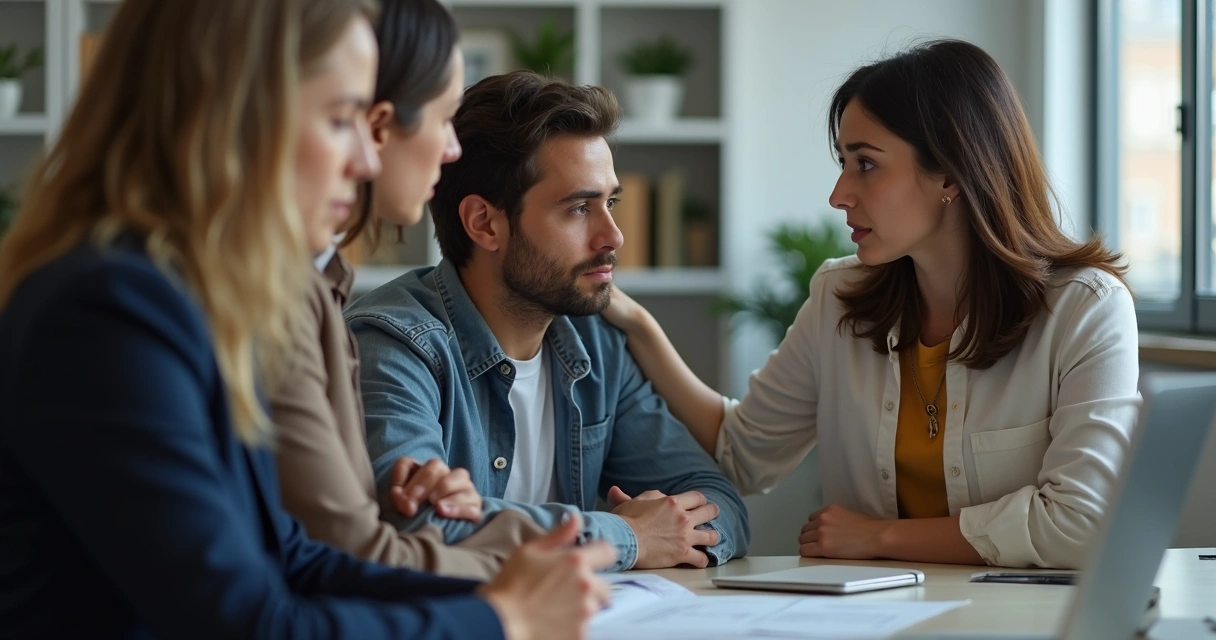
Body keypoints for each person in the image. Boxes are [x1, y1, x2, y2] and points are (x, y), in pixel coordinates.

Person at [0, 1, 612, 638]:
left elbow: (291, 556)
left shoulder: (196, 298)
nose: (368, 158)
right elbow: (247, 621)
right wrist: (500, 618)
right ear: (237, 113)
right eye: (342, 116)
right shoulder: (109, 311)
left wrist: (510, 587)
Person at [602, 39, 1140, 569]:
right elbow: (743, 457)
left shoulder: (1084, 309)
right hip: (871, 618)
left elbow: (1082, 524)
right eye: (843, 162)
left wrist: (878, 537)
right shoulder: (838, 299)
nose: (839, 194)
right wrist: (640, 325)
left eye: (866, 164)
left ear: (952, 173)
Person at [344, 70, 750, 572]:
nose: (614, 236)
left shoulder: (596, 346)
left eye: (611, 202)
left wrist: (667, 532)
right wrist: (627, 536)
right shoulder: (393, 345)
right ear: (484, 223)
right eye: (580, 208)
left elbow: (719, 503)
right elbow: (416, 530)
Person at [269, 0, 544, 581]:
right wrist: (580, 544)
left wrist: (399, 508)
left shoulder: (318, 288)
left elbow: (340, 540)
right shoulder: (320, 311)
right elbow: (337, 559)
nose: (452, 150)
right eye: (346, 119)